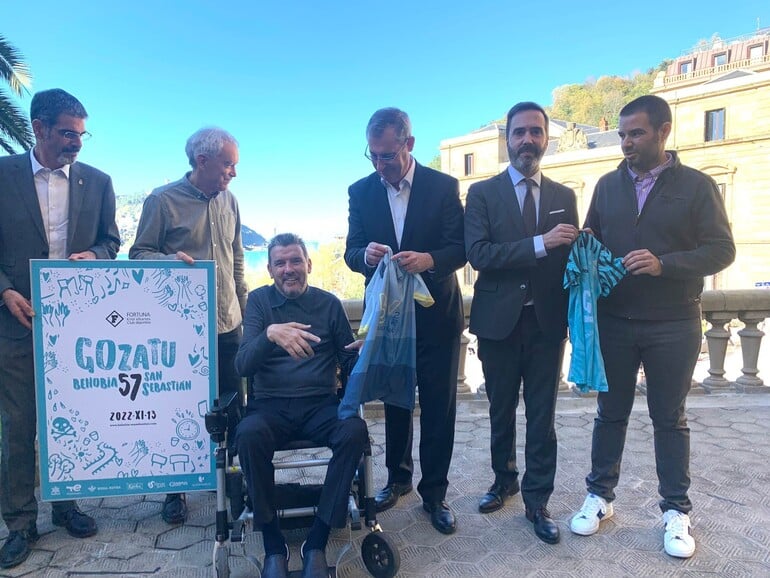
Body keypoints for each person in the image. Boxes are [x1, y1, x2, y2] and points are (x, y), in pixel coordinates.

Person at [569, 95, 735, 558]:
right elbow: (595, 234)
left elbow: (722, 250)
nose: (626, 143)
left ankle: (676, 511)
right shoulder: (606, 186)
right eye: (622, 135)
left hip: (675, 322)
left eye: (636, 133)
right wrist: (587, 242)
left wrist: (665, 264)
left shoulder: (698, 186)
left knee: (669, 418)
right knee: (610, 414)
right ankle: (600, 497)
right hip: (614, 322)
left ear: (664, 132)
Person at [0, 88, 120, 568]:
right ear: (39, 128)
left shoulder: (99, 182)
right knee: (19, 424)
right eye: (68, 133)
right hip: (15, 322)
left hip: (75, 328)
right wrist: (4, 291)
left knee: (68, 419)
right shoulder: (2, 175)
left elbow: (111, 243)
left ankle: (66, 506)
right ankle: (19, 524)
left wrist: (94, 255)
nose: (77, 143)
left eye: (82, 135)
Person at [345, 107, 466, 535]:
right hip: (390, 320)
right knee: (395, 401)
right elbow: (351, 250)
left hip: (436, 316)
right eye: (373, 156)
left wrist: (430, 259)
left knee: (438, 406)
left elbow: (461, 247)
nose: (380, 165)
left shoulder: (443, 186)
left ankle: (435, 493)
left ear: (409, 144)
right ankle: (398, 480)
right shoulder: (360, 192)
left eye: (387, 156)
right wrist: (365, 256)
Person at [464, 101, 579, 544]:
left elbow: (567, 259)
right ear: (507, 140)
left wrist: (583, 245)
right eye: (519, 132)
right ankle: (503, 480)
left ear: (546, 139)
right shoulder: (482, 194)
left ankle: (537, 500)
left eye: (535, 131)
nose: (527, 140)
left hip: (547, 322)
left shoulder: (564, 197)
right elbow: (479, 255)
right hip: (498, 323)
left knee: (542, 416)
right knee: (500, 410)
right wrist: (540, 243)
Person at [129, 127, 248, 525]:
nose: (233, 172)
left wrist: (244, 311)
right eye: (228, 164)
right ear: (202, 161)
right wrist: (168, 262)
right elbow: (138, 255)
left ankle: (231, 481)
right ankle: (175, 490)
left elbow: (236, 260)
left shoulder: (230, 201)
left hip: (228, 323)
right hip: (181, 330)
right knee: (179, 408)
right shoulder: (162, 201)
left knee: (232, 406)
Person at [234, 233, 367, 578]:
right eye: (280, 263)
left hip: (320, 406)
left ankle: (317, 541)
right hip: (270, 407)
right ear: (270, 269)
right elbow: (242, 365)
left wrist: (363, 354)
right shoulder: (259, 302)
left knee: (354, 431)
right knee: (247, 435)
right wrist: (269, 335)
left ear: (308, 264)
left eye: (295, 260)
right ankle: (273, 545)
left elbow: (346, 358)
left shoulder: (329, 304)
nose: (288, 269)